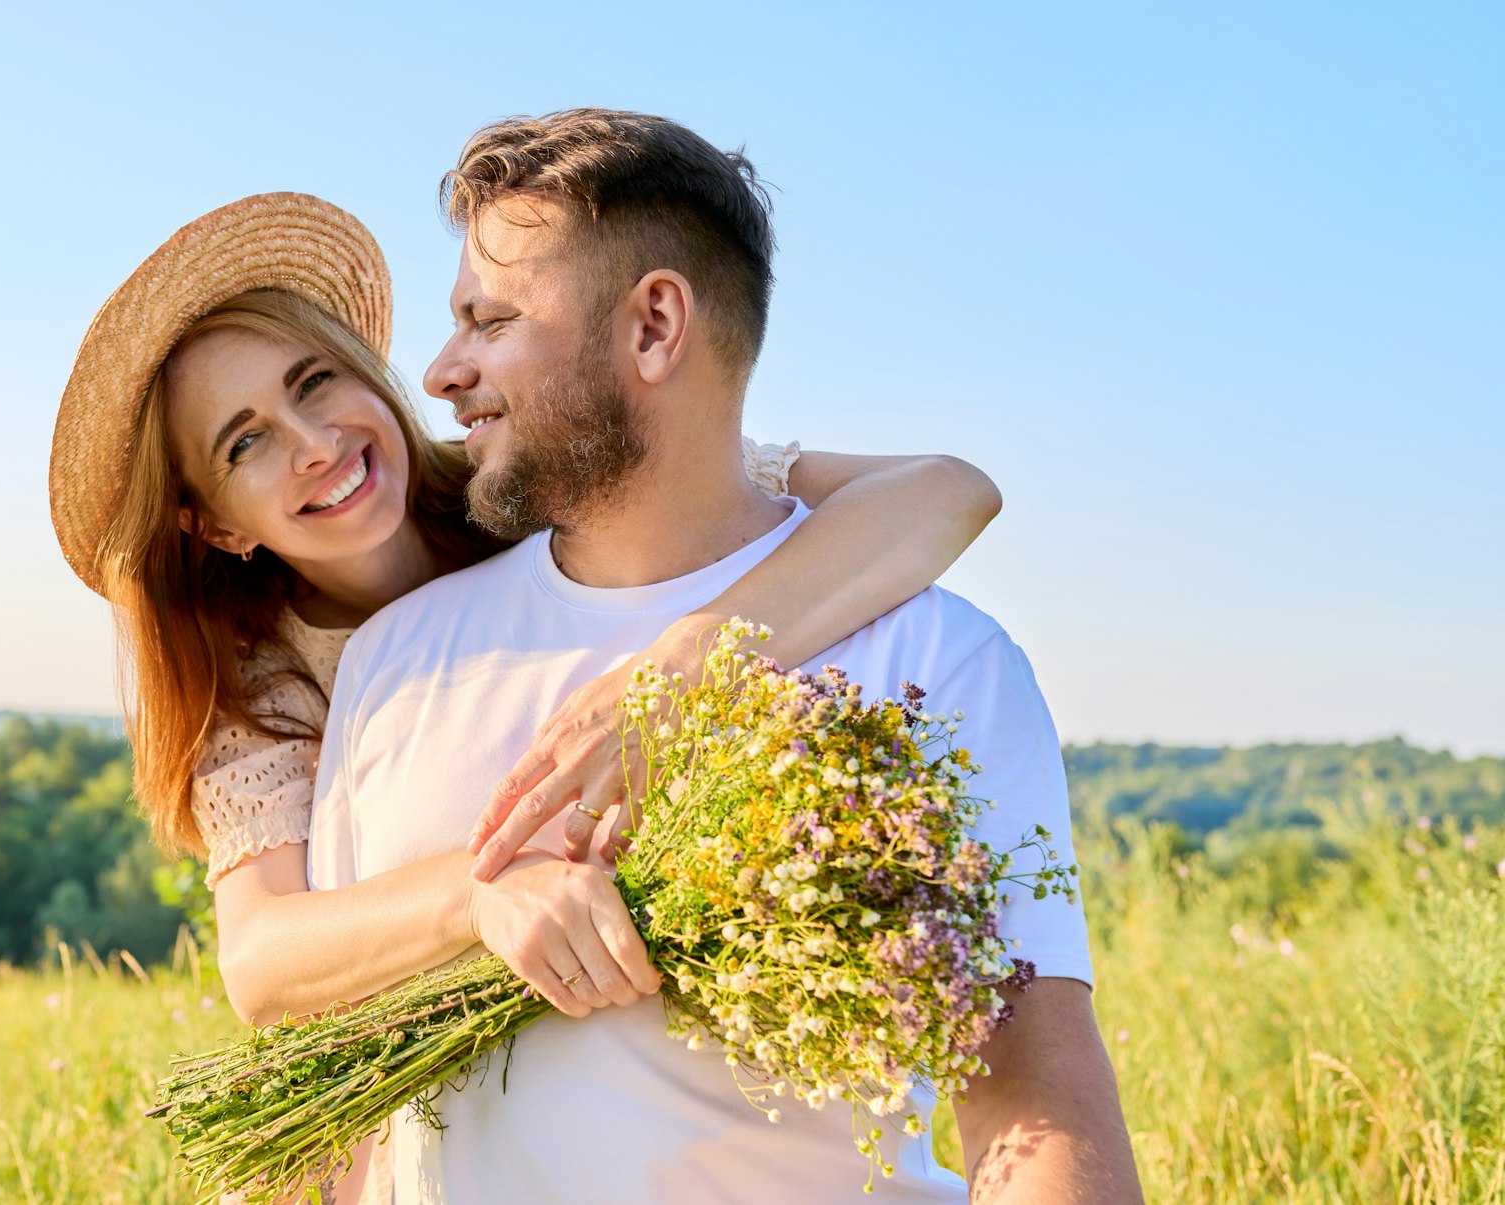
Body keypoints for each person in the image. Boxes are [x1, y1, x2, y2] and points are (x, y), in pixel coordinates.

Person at [49, 193, 1002, 1202]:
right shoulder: (263, 682)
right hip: (421, 1105)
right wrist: (479, 891)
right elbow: (262, 962)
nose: (313, 442)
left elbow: (944, 491)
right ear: (215, 527)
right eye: (244, 443)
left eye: (313, 382)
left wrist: (679, 669)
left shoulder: (538, 485)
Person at [307, 111, 1144, 1203]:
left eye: (489, 319)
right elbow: (339, 1094)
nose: (439, 370)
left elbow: (1027, 1095)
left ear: (653, 325)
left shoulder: (933, 656)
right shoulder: (397, 663)